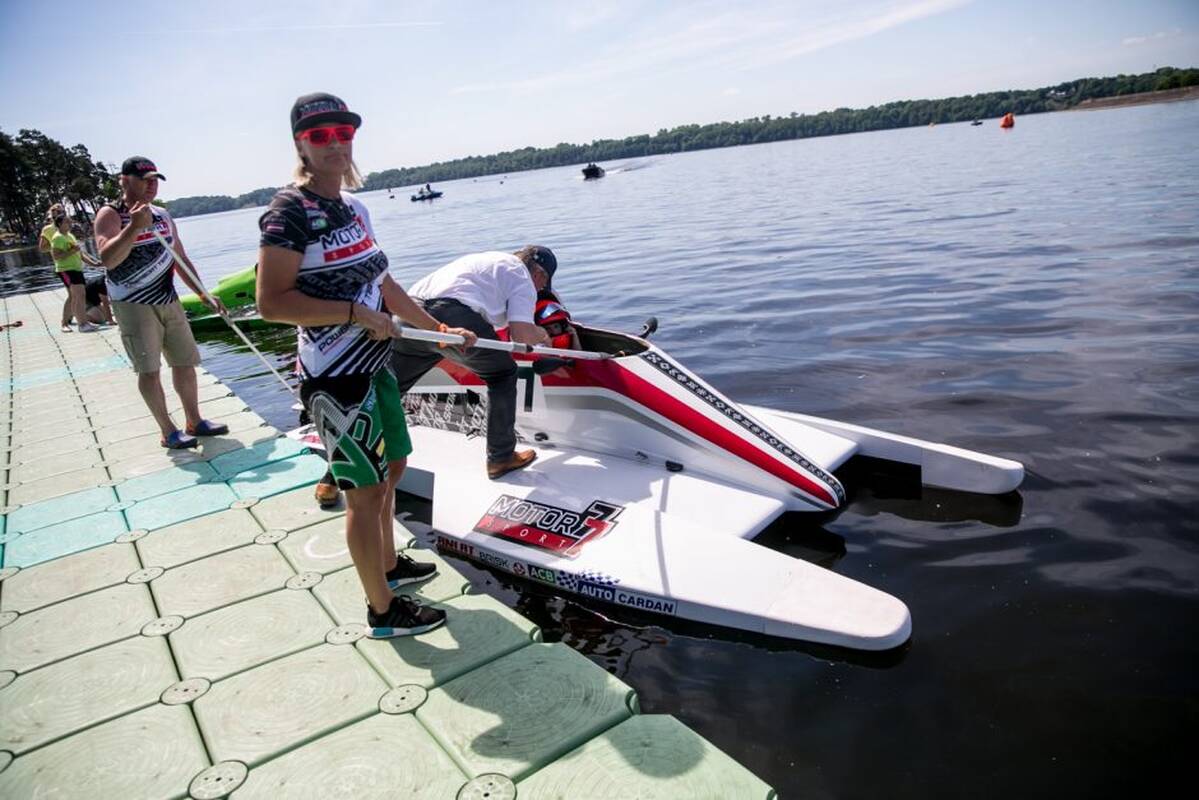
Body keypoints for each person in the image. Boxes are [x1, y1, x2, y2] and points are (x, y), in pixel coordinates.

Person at [256, 92, 476, 639]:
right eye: (320, 135)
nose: (335, 143)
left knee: (393, 469)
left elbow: (384, 282)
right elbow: (272, 303)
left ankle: (389, 566)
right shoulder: (288, 212)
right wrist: (354, 314)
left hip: (377, 366)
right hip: (335, 378)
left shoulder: (355, 207)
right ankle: (383, 611)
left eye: (343, 132)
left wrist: (437, 329)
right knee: (363, 492)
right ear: (301, 144)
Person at [93, 156, 230, 449]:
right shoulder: (111, 214)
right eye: (144, 180)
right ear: (124, 181)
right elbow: (108, 259)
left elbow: (179, 258)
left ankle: (194, 420)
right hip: (133, 304)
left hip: (168, 299)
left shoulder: (162, 214)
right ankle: (167, 431)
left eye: (155, 180)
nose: (151, 185)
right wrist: (134, 227)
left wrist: (203, 293)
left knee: (185, 362)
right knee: (149, 369)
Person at [390, 245, 555, 479]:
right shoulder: (522, 276)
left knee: (390, 388)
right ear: (539, 274)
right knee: (503, 374)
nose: (539, 291)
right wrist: (543, 334)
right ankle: (501, 457)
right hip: (451, 315)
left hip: (409, 314)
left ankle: (346, 463)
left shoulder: (488, 261)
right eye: (543, 286)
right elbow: (522, 336)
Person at [49, 212, 102, 333]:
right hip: (66, 270)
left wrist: (94, 264)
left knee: (79, 296)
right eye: (67, 222)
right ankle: (81, 324)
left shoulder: (70, 236)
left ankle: (82, 322)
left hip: (77, 269)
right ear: (59, 224)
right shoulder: (58, 238)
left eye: (70, 221)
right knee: (78, 296)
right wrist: (72, 251)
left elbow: (80, 254)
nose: (70, 224)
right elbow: (56, 256)